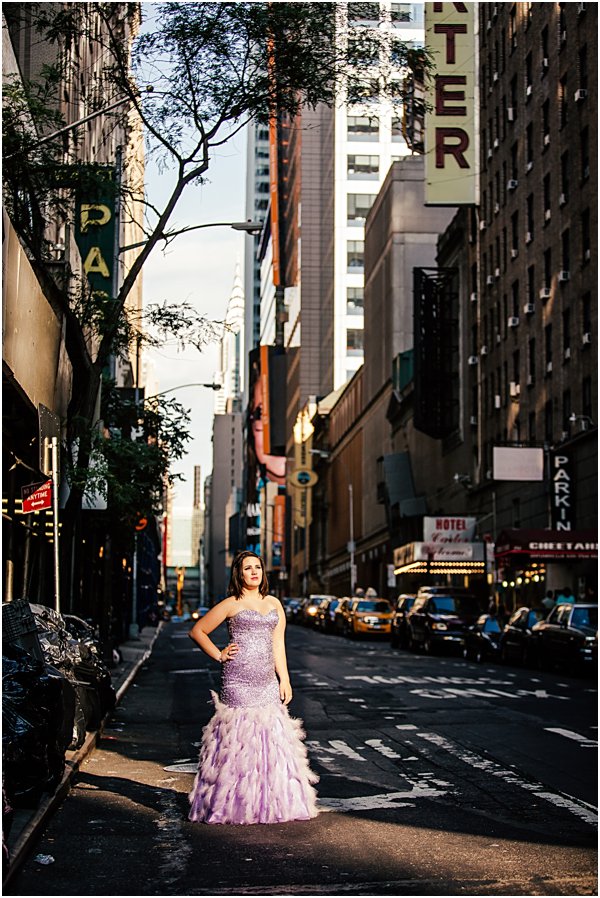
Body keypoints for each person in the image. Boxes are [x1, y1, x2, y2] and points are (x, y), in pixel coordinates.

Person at [187, 550, 318, 825]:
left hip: (266, 683)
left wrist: (285, 678)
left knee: (271, 743)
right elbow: (198, 630)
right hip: (238, 681)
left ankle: (267, 804)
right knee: (238, 743)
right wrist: (219, 655)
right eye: (248, 568)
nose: (254, 572)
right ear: (240, 573)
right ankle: (233, 805)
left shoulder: (274, 603)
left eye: (257, 567)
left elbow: (278, 644)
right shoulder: (231, 603)